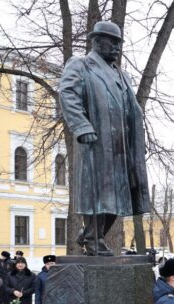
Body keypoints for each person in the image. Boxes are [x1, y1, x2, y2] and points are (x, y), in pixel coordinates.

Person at [59, 20, 151, 255]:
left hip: (122, 145)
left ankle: (90, 235)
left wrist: (138, 142)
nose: (117, 48)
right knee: (97, 192)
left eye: (119, 43)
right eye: (113, 42)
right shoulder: (81, 65)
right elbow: (67, 93)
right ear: (97, 41)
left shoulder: (122, 75)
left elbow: (132, 110)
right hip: (96, 140)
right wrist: (81, 125)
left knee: (121, 194)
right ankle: (92, 239)